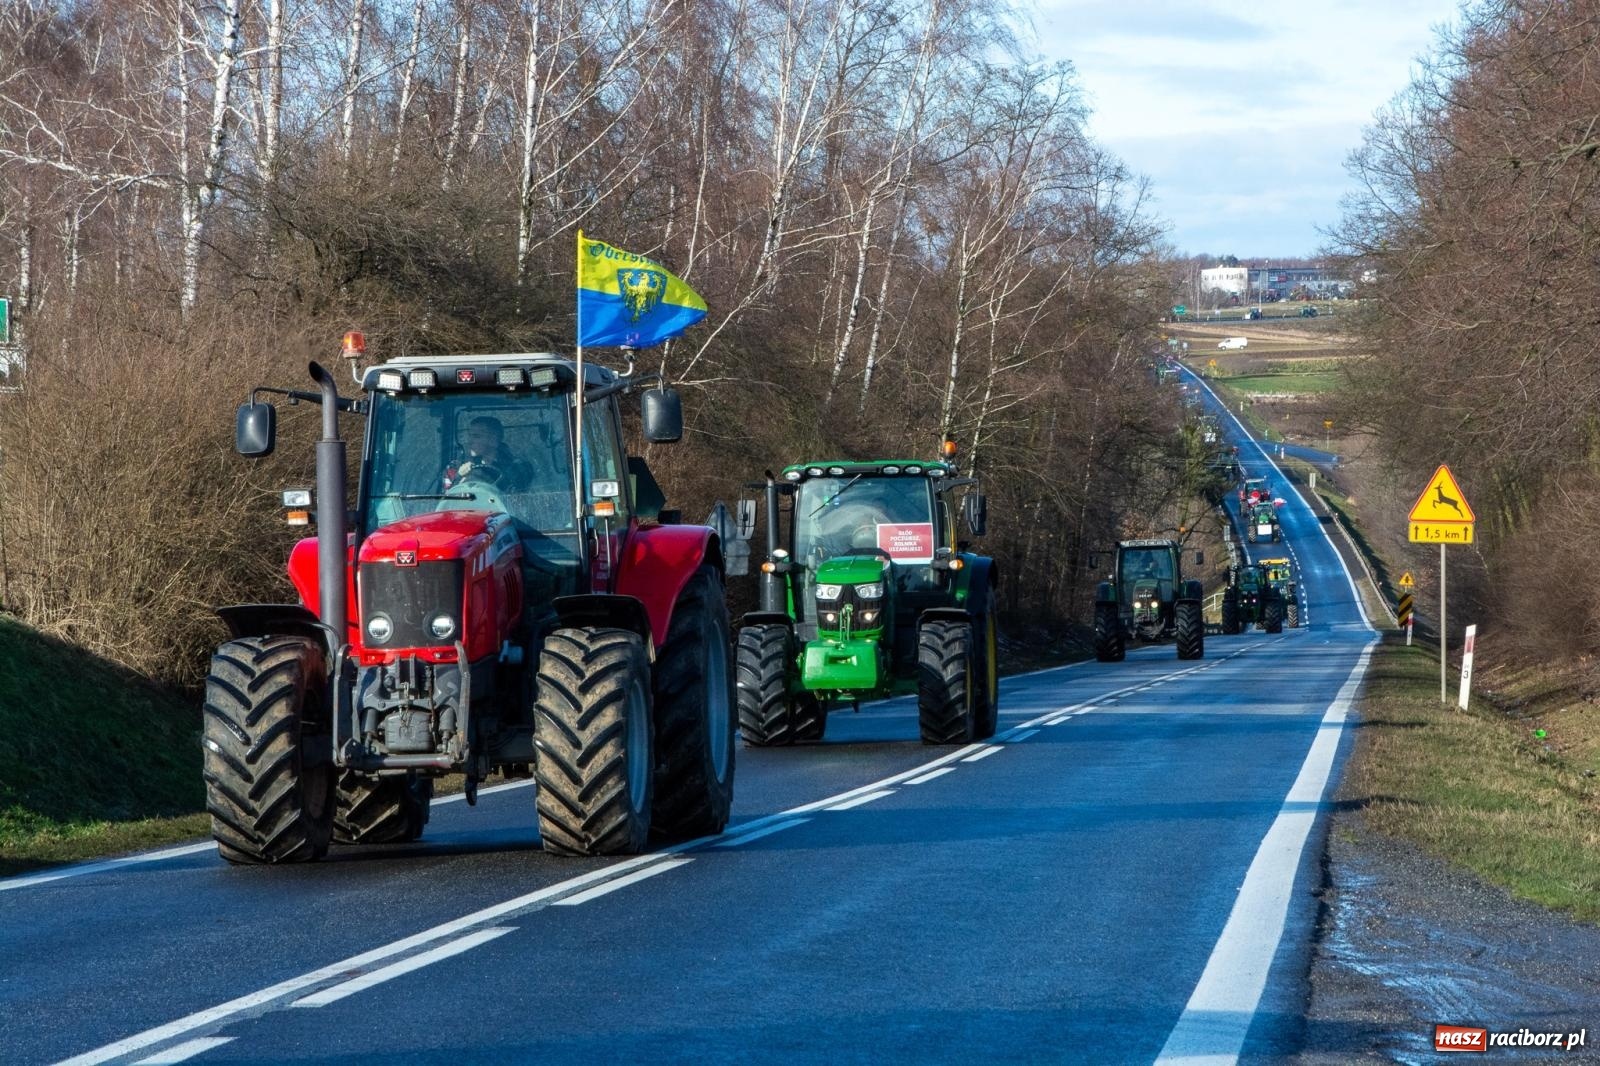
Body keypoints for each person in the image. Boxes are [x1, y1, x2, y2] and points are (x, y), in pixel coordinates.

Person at [442, 415, 535, 493]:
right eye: (469, 436)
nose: (469, 441)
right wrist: (459, 477)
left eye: (476, 436)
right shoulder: (455, 467)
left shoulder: (518, 467)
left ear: (493, 440)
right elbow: (443, 502)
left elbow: (520, 498)